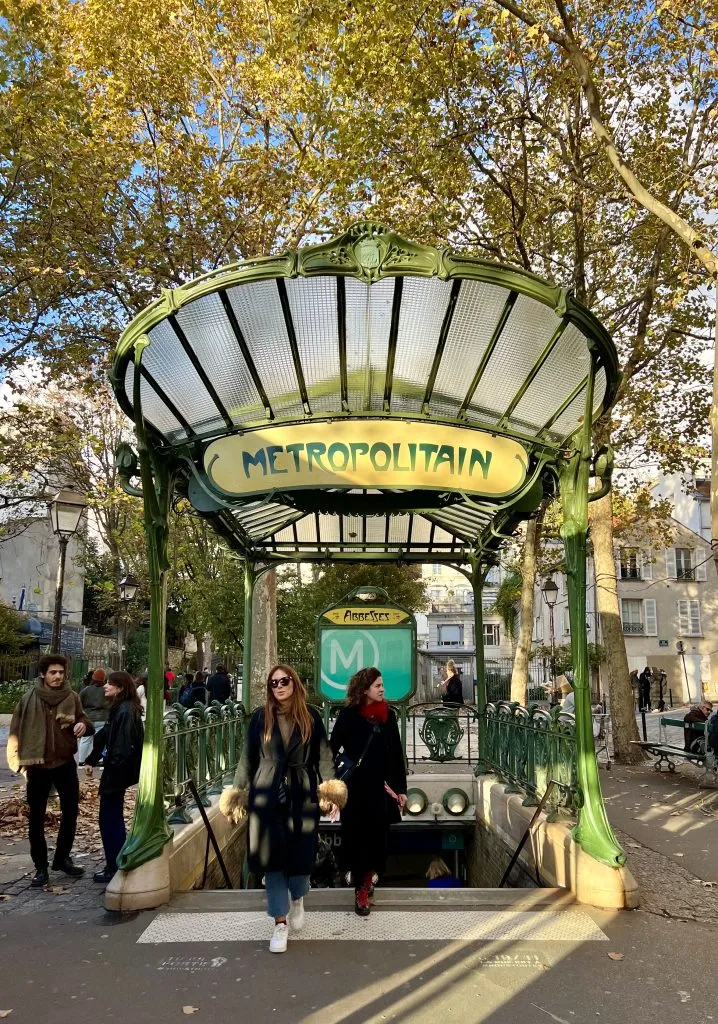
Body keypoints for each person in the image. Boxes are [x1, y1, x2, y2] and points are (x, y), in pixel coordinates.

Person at [219, 664, 346, 954]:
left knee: (301, 857)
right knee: (271, 859)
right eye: (273, 683)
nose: (278, 686)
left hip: (301, 792)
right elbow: (247, 758)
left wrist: (330, 791)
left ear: (294, 683)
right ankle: (279, 922)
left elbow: (324, 757)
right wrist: (237, 794)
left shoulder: (311, 716)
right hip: (266, 794)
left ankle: (298, 897)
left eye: (284, 680)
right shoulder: (259, 719)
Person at [6, 654, 94, 888]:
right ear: (43, 674)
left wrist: (83, 724)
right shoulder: (28, 699)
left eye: (61, 673)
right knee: (36, 818)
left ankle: (62, 858)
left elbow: (87, 721)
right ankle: (41, 868)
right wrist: (17, 761)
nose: (58, 676)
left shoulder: (72, 697)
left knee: (71, 813)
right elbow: (16, 730)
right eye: (53, 672)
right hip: (37, 766)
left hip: (64, 764)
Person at [329, 666, 407, 917]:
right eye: (378, 686)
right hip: (354, 790)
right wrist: (332, 789)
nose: (383, 689)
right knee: (356, 839)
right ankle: (361, 890)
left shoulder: (388, 716)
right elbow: (331, 749)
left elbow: (396, 754)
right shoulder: (349, 715)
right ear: (365, 689)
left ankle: (367, 876)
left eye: (383, 685)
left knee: (377, 839)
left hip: (379, 788)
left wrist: (400, 788)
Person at [85, 671, 144, 884]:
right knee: (111, 818)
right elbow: (105, 735)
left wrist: (113, 772)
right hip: (116, 772)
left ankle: (114, 864)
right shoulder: (121, 708)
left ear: (120, 687)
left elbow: (121, 746)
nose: (105, 687)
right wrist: (91, 759)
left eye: (110, 684)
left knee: (110, 819)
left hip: (117, 773)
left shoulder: (125, 711)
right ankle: (115, 861)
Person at [78, 669, 110, 764]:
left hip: (88, 718)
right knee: (100, 740)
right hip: (102, 717)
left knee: (85, 739)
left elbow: (79, 703)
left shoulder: (86, 690)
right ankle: (99, 760)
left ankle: (81, 760)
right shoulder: (105, 690)